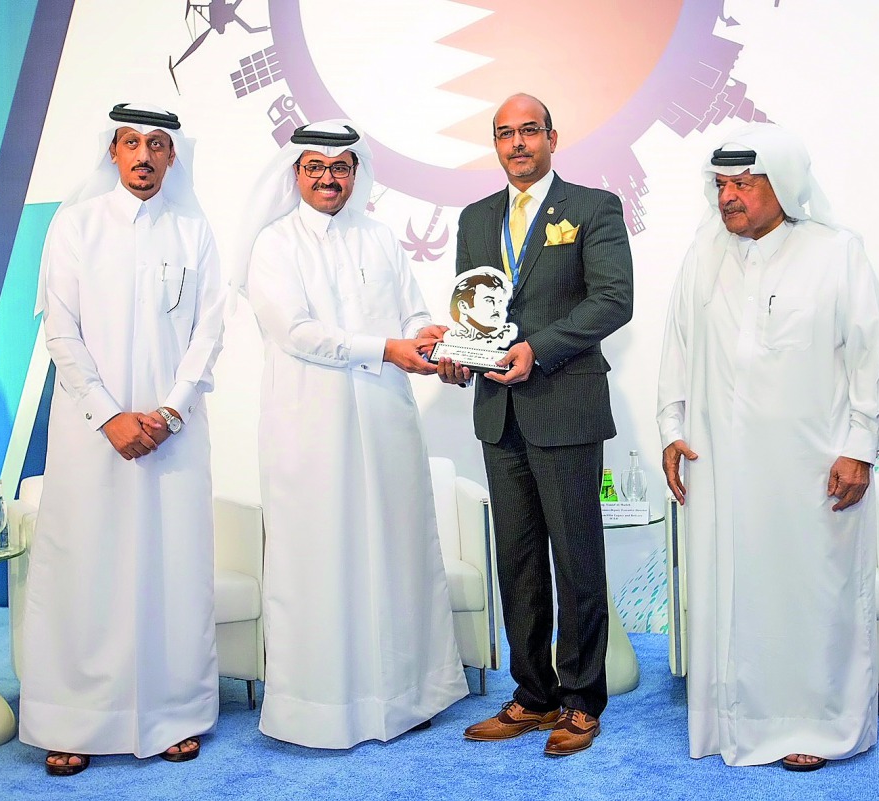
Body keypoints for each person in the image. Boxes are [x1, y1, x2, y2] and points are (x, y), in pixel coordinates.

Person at [657, 123, 879, 771]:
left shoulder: (837, 251)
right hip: (722, 469)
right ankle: (731, 721)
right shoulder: (703, 254)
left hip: (812, 466)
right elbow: (677, 347)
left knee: (809, 594)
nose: (728, 196)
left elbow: (870, 356)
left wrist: (861, 446)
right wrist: (672, 428)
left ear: (782, 186)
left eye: (743, 183)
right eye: (721, 184)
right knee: (732, 592)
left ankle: (815, 727)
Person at [234, 121, 468, 749]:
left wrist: (432, 337)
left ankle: (404, 698)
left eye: (341, 168)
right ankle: (320, 707)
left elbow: (411, 310)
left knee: (394, 550)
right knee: (320, 558)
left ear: (355, 174)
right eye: (316, 168)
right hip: (311, 426)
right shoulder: (273, 245)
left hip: (386, 420)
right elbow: (296, 332)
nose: (329, 178)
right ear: (296, 174)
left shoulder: (381, 238)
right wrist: (387, 349)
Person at [20, 102, 226, 776]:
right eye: (131, 143)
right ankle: (73, 719)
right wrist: (110, 414)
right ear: (112, 151)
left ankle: (174, 714)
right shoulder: (76, 225)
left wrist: (167, 411)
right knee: (88, 570)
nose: (143, 156)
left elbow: (208, 332)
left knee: (171, 570)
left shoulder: (195, 232)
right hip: (92, 434)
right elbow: (61, 331)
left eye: (157, 144)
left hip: (172, 434)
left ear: (174, 155)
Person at [438, 94, 634, 757]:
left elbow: (614, 299)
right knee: (518, 561)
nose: (517, 142)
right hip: (499, 411)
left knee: (576, 560)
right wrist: (459, 352)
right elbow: (477, 310)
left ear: (552, 136)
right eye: (504, 134)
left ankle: (581, 701)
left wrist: (539, 348)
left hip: (564, 404)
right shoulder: (474, 218)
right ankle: (532, 695)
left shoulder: (592, 208)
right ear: (494, 144)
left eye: (528, 131)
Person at [449, 271, 516, 345]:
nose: (497, 309)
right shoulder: (449, 339)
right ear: (463, 306)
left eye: (500, 301)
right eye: (489, 301)